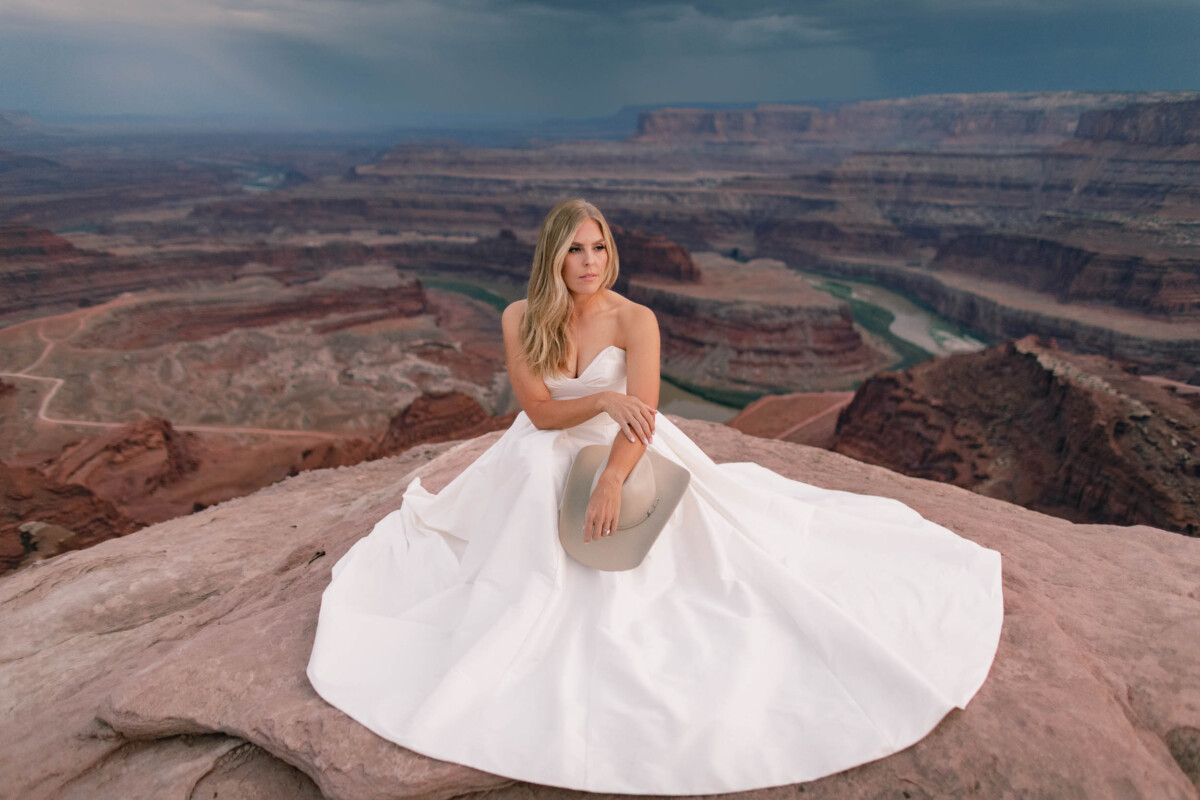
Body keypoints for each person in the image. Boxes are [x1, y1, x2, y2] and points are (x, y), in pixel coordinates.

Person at [307, 198, 1004, 795]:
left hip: (628, 449)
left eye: (599, 246)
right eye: (575, 249)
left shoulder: (636, 320)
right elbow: (541, 413)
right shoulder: (522, 316)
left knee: (689, 571)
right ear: (552, 256)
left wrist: (611, 477)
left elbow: (642, 418)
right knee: (534, 489)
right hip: (541, 447)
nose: (589, 260)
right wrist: (601, 399)